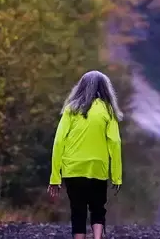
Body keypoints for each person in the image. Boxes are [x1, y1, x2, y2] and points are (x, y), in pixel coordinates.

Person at [48, 70, 123, 239]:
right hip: (98, 167)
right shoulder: (108, 111)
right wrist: (116, 176)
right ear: (105, 89)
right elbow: (115, 142)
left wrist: (55, 177)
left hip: (73, 167)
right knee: (98, 207)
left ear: (80, 88)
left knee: (78, 209)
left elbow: (59, 142)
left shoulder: (71, 110)